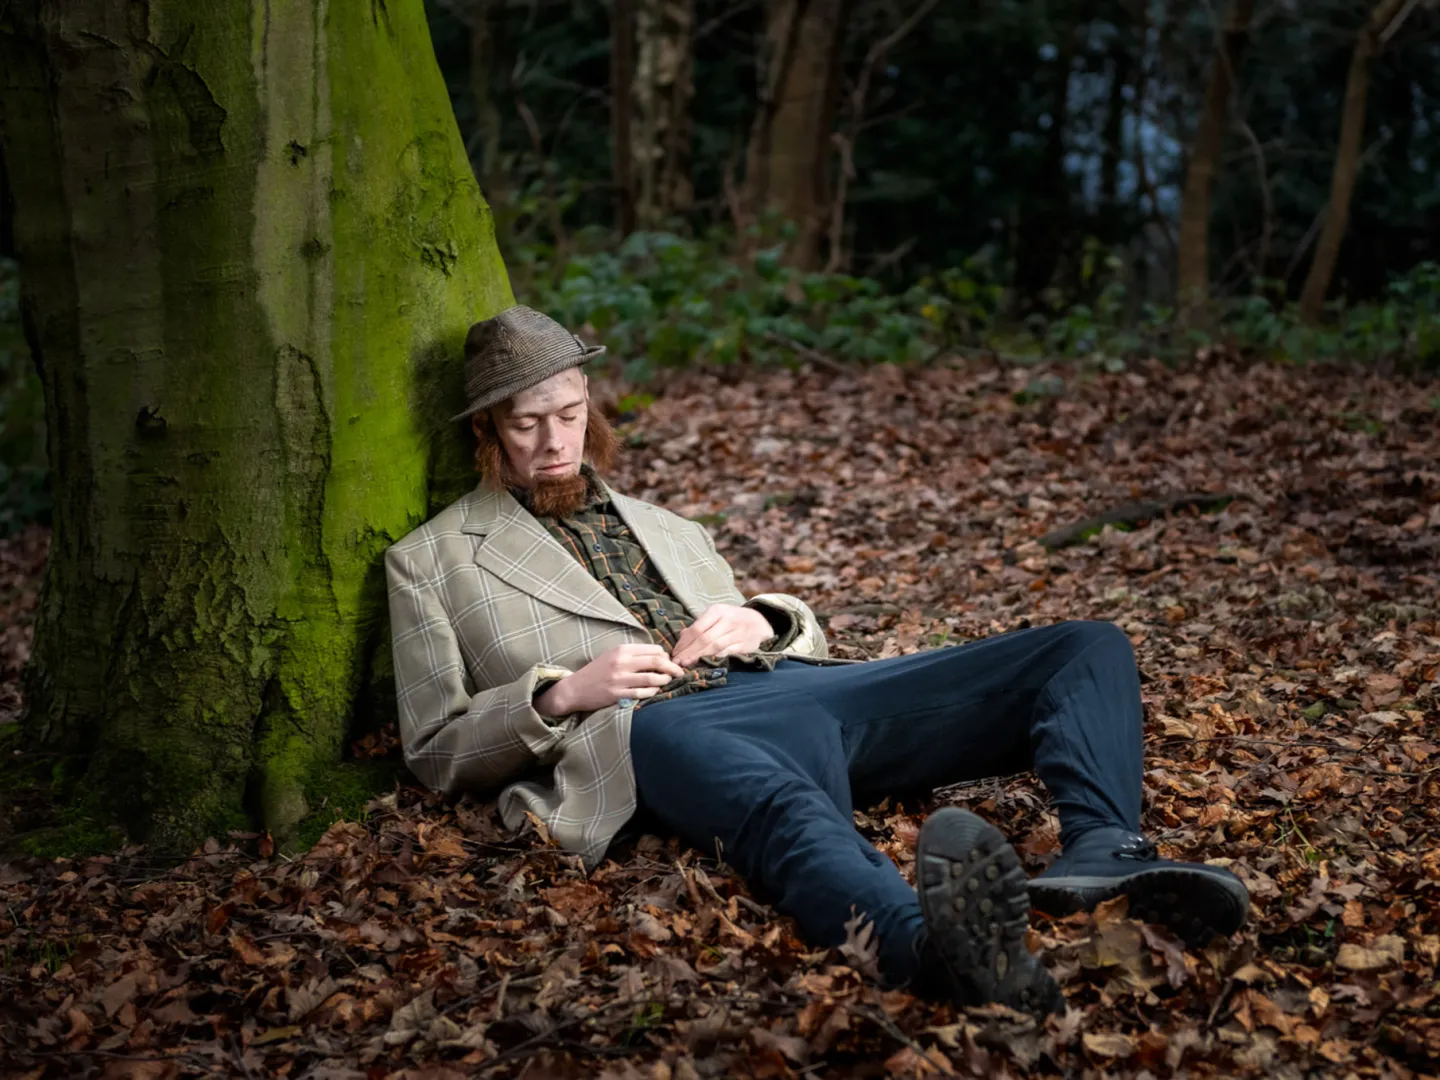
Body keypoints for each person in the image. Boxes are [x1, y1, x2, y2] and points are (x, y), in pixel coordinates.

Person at [386, 305, 1250, 1014]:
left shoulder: (671, 529)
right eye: (526, 424)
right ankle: (924, 949)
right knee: (783, 812)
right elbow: (433, 748)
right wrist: (561, 694)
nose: (553, 441)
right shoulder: (431, 560)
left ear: (589, 403)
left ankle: (1103, 852)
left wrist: (763, 619)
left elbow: (790, 632)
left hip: (797, 692)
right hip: (652, 728)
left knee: (1084, 647)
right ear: (486, 433)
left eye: (568, 415)